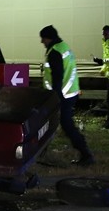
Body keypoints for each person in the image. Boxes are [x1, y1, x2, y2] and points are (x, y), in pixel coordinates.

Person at [38, 25, 95, 165]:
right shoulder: (63, 47)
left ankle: (86, 155)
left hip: (62, 95)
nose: (41, 42)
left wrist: (55, 97)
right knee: (51, 123)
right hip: (69, 92)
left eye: (43, 38)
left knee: (66, 125)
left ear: (48, 38)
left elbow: (57, 77)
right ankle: (40, 153)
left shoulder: (55, 52)